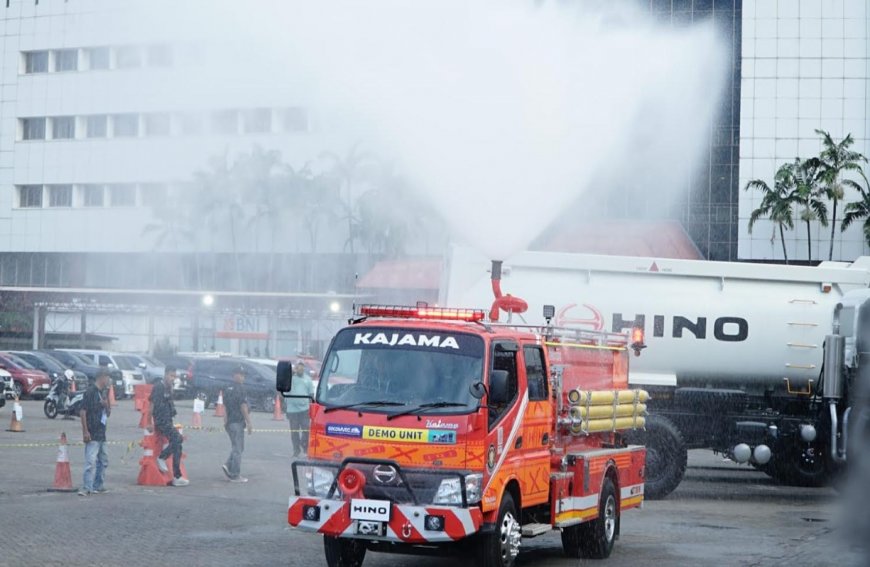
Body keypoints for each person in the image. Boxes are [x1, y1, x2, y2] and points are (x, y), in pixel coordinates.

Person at [150, 366, 189, 487]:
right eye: (171, 376)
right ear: (165, 374)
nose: (173, 379)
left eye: (174, 377)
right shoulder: (159, 387)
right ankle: (162, 457)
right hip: (161, 420)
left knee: (178, 446)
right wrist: (149, 422)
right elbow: (151, 404)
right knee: (177, 438)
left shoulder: (168, 387)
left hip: (168, 419)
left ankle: (177, 476)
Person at [79, 369, 111, 496]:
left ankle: (98, 485)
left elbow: (108, 413)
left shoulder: (103, 393)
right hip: (92, 432)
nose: (108, 381)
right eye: (108, 377)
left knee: (103, 460)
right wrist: (85, 431)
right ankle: (87, 487)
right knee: (90, 461)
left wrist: (106, 404)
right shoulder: (90, 392)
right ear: (102, 377)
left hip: (102, 432)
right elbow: (83, 411)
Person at [222, 365, 253, 483]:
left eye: (243, 375)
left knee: (238, 447)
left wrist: (225, 421)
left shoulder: (227, 388)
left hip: (230, 422)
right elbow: (243, 406)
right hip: (237, 422)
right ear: (234, 375)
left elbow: (225, 406)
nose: (243, 377)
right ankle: (235, 474)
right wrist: (249, 422)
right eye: (240, 374)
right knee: (238, 449)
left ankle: (228, 464)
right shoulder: (241, 389)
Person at [285, 362, 314, 457]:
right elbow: (284, 382)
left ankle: (305, 447)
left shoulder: (308, 380)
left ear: (304, 369)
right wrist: (292, 372)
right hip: (292, 410)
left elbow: (311, 395)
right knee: (294, 432)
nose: (300, 370)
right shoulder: (290, 378)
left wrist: (311, 407)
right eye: (298, 368)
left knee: (306, 430)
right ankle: (296, 450)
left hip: (304, 410)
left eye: (302, 369)